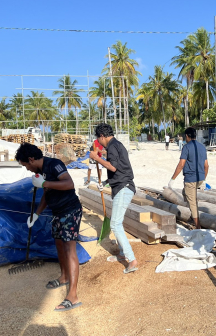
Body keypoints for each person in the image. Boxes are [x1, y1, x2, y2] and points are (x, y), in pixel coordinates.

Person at [16, 142, 83, 312]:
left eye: (25, 165)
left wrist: (45, 183)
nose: (27, 170)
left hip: (70, 210)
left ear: (31, 159)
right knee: (59, 246)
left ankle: (73, 296)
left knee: (69, 249)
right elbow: (47, 194)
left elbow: (69, 184)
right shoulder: (40, 172)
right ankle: (64, 276)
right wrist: (36, 214)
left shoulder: (55, 164)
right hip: (57, 213)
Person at [89, 123, 138, 274]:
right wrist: (105, 182)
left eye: (99, 139)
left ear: (102, 136)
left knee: (115, 224)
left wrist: (96, 158)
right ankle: (123, 254)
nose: (99, 143)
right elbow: (120, 170)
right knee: (118, 222)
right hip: (122, 186)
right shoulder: (117, 145)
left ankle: (132, 260)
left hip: (124, 188)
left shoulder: (112, 146)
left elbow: (113, 167)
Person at [168, 127, 209, 229]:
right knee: (185, 192)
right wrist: (203, 179)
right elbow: (206, 165)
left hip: (190, 179)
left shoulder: (186, 147)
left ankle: (198, 227)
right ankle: (193, 215)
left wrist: (172, 179)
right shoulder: (202, 147)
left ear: (187, 136)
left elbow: (181, 164)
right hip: (199, 178)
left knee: (193, 204)